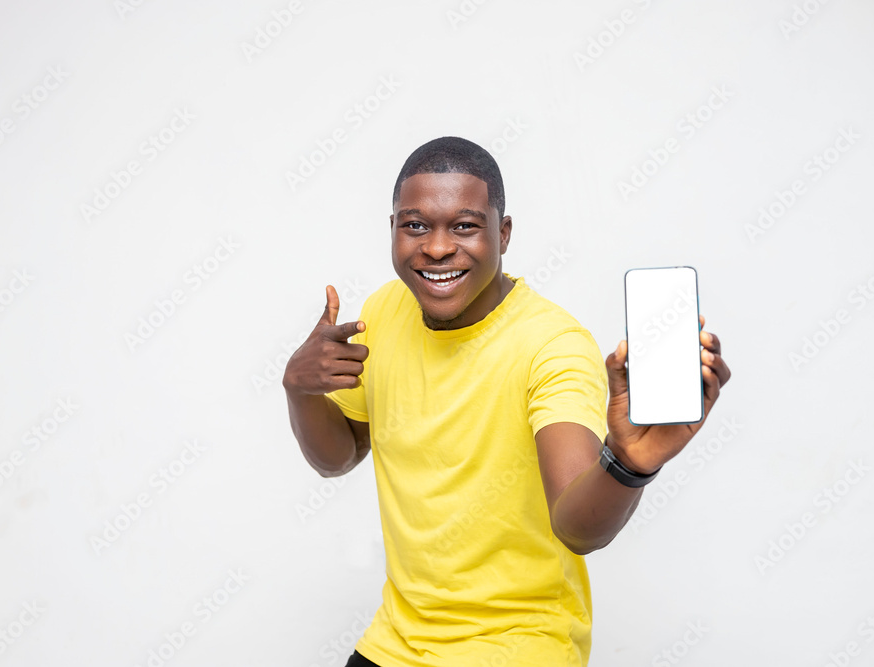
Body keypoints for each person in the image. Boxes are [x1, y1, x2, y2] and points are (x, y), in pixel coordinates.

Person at [282, 136, 731, 667]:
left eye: (465, 225)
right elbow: (339, 456)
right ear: (394, 229)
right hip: (398, 642)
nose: (438, 247)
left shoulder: (551, 343)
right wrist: (300, 387)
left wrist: (628, 465)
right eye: (416, 225)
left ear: (504, 233)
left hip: (517, 646)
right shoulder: (383, 310)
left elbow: (575, 526)